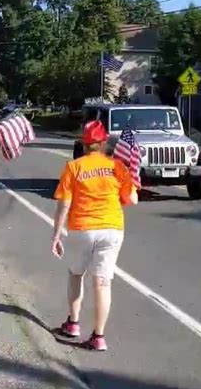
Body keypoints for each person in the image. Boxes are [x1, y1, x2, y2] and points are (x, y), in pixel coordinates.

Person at [51, 120, 138, 351]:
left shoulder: (74, 167)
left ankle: (73, 323)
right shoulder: (118, 167)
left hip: (82, 228)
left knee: (75, 273)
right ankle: (98, 336)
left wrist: (57, 233)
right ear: (103, 143)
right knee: (102, 282)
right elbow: (132, 199)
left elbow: (65, 204)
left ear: (84, 143)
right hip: (112, 228)